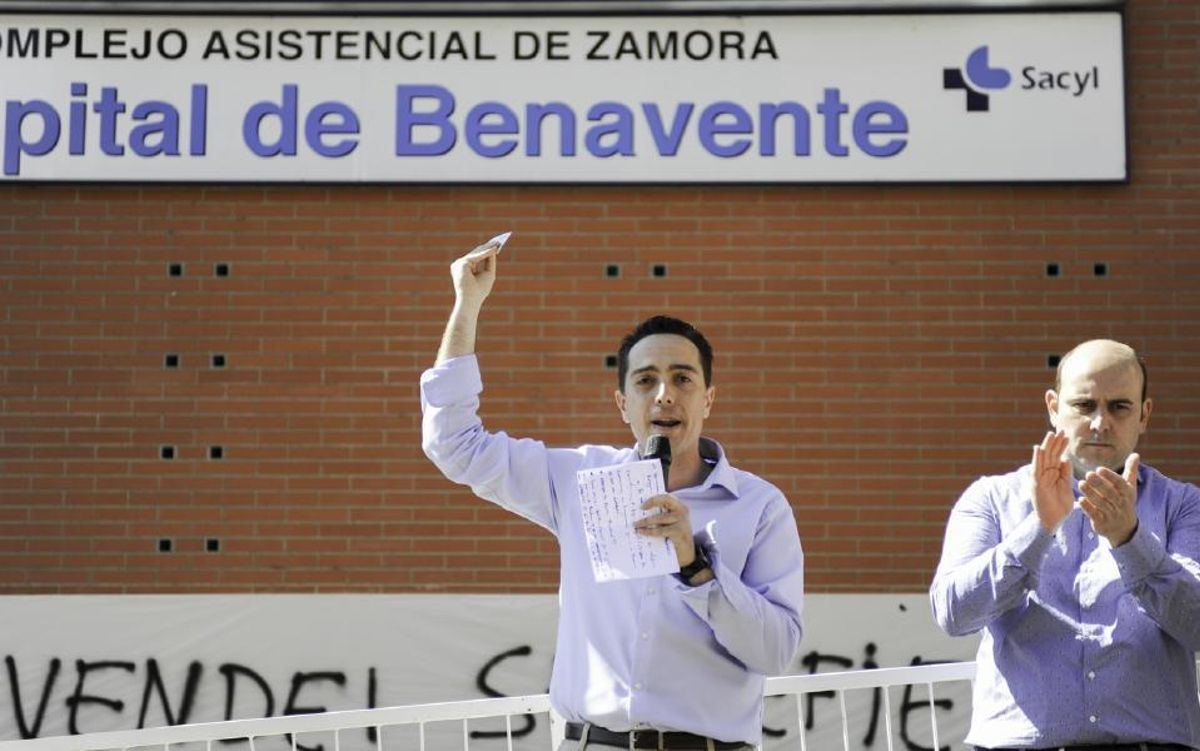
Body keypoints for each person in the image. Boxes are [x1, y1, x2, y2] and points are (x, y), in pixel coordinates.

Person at [420, 238, 804, 750]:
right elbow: (455, 445)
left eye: (682, 379)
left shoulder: (759, 507)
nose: (664, 393)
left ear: (707, 399)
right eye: (646, 381)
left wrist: (698, 568)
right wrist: (467, 304)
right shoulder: (579, 479)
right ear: (623, 404)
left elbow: (776, 651)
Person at [930, 339, 1200, 751]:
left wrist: (1129, 539)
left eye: (1119, 407)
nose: (1100, 423)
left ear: (1144, 414)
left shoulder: (1182, 505)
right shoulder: (990, 499)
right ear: (1053, 407)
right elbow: (953, 612)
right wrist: (1037, 529)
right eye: (1084, 405)